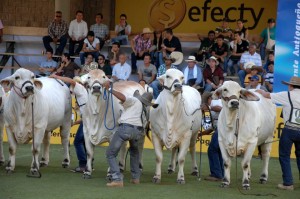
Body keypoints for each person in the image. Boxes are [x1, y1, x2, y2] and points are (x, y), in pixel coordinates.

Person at [103, 83, 155, 187]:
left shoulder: (135, 100)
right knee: (135, 153)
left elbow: (123, 97)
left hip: (126, 128)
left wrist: (110, 89)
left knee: (110, 153)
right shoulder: (144, 108)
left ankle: (117, 178)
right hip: (138, 131)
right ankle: (135, 178)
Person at [256, 76, 300, 191]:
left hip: (289, 129)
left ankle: (288, 183)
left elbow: (267, 95)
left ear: (290, 86)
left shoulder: (287, 95)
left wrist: (260, 91)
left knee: (284, 156)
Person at [49, 74, 88, 173]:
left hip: (88, 121)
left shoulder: (79, 88)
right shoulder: (83, 93)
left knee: (77, 141)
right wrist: (74, 123)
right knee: (84, 142)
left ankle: (83, 165)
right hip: (88, 120)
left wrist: (57, 77)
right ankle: (89, 164)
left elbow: (71, 80)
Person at [200, 92, 224, 181]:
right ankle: (221, 173)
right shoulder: (212, 105)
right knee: (219, 151)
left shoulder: (216, 102)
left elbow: (221, 109)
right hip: (220, 129)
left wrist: (209, 107)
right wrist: (201, 134)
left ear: (209, 98)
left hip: (222, 129)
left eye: (205, 101)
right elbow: (213, 126)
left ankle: (216, 174)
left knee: (212, 149)